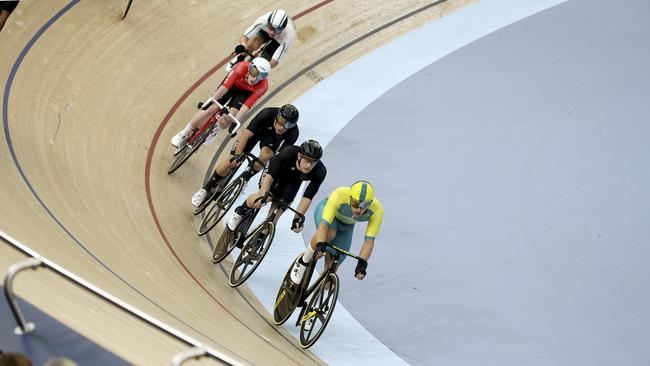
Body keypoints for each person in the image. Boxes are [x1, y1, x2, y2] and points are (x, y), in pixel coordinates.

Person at [191, 104, 300, 207]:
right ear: (277, 117)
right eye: (281, 122)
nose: (282, 127)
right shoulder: (267, 113)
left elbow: (278, 158)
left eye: (288, 125)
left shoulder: (293, 133)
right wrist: (237, 156)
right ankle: (206, 189)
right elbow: (245, 135)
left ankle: (245, 178)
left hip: (271, 140)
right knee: (231, 161)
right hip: (255, 134)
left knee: (267, 155)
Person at [289, 180, 384, 284]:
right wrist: (321, 244)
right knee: (330, 234)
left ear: (369, 204)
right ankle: (303, 261)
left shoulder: (377, 210)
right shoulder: (340, 194)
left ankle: (315, 294)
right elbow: (323, 224)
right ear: (349, 198)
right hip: (327, 213)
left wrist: (362, 264)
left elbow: (369, 241)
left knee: (331, 273)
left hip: (346, 226)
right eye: (355, 203)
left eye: (363, 206)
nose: (358, 209)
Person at [225, 140, 326, 234]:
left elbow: (307, 197)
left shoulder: (320, 172)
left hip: (293, 182)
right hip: (275, 174)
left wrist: (297, 219)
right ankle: (239, 212)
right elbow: (270, 176)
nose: (309, 165)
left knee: (276, 215)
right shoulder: (289, 153)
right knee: (265, 197)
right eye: (307, 160)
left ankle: (257, 243)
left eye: (313, 162)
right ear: (299, 156)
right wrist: (262, 197)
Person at [170, 57, 271, 148]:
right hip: (232, 85)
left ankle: (215, 131)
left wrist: (234, 122)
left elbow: (246, 106)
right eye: (253, 73)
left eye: (259, 77)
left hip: (245, 94)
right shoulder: (241, 67)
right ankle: (183, 133)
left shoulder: (263, 86)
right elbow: (224, 87)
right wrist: (210, 101)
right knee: (210, 108)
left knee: (229, 117)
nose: (254, 79)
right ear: (249, 68)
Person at [226, 9, 296, 70]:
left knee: (263, 61)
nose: (272, 33)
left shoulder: (287, 36)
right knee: (253, 44)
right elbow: (244, 37)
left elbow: (273, 63)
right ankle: (240, 57)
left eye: (276, 30)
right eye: (271, 28)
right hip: (266, 30)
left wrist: (261, 66)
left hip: (280, 38)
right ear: (268, 23)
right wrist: (244, 46)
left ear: (282, 29)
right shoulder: (263, 20)